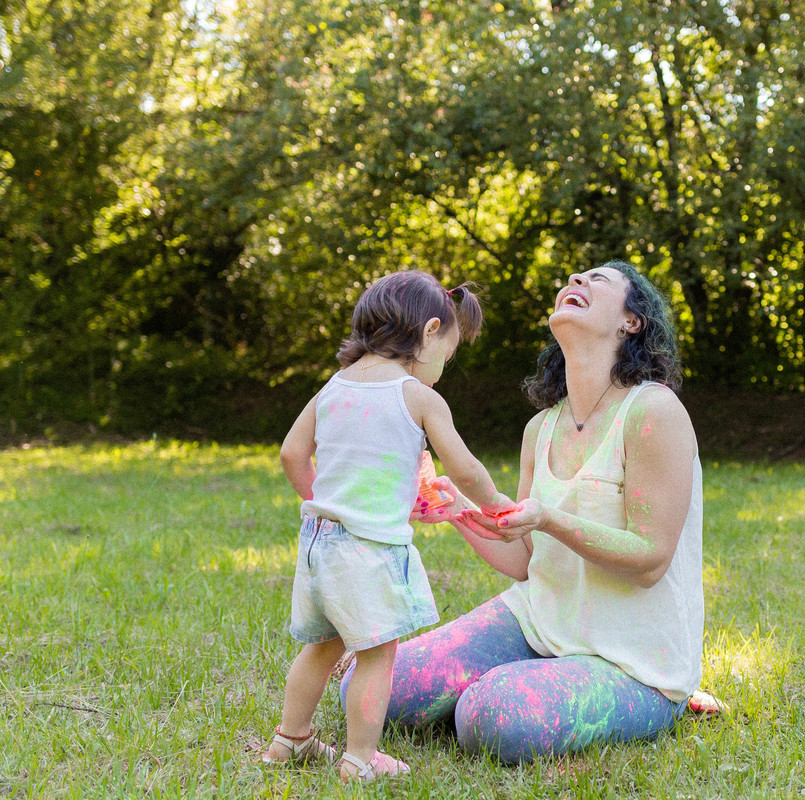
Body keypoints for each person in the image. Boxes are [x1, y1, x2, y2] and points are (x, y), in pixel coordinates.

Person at [342, 259, 704, 763]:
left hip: (634, 661)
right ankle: (515, 679)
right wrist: (457, 508)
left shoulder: (653, 412)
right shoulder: (542, 428)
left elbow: (651, 560)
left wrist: (551, 518)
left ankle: (665, 701)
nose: (576, 281)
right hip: (538, 623)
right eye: (574, 277)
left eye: (597, 280)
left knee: (491, 718)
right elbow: (524, 561)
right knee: (375, 694)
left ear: (631, 321)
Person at [262, 270, 516, 782]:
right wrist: (494, 503)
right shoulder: (417, 397)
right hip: (368, 550)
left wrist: (325, 502)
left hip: (318, 542)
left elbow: (292, 453)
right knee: (377, 654)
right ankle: (360, 759)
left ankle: (289, 741)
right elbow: (464, 468)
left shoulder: (333, 387)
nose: (446, 362)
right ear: (428, 332)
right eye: (450, 349)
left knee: (323, 645)